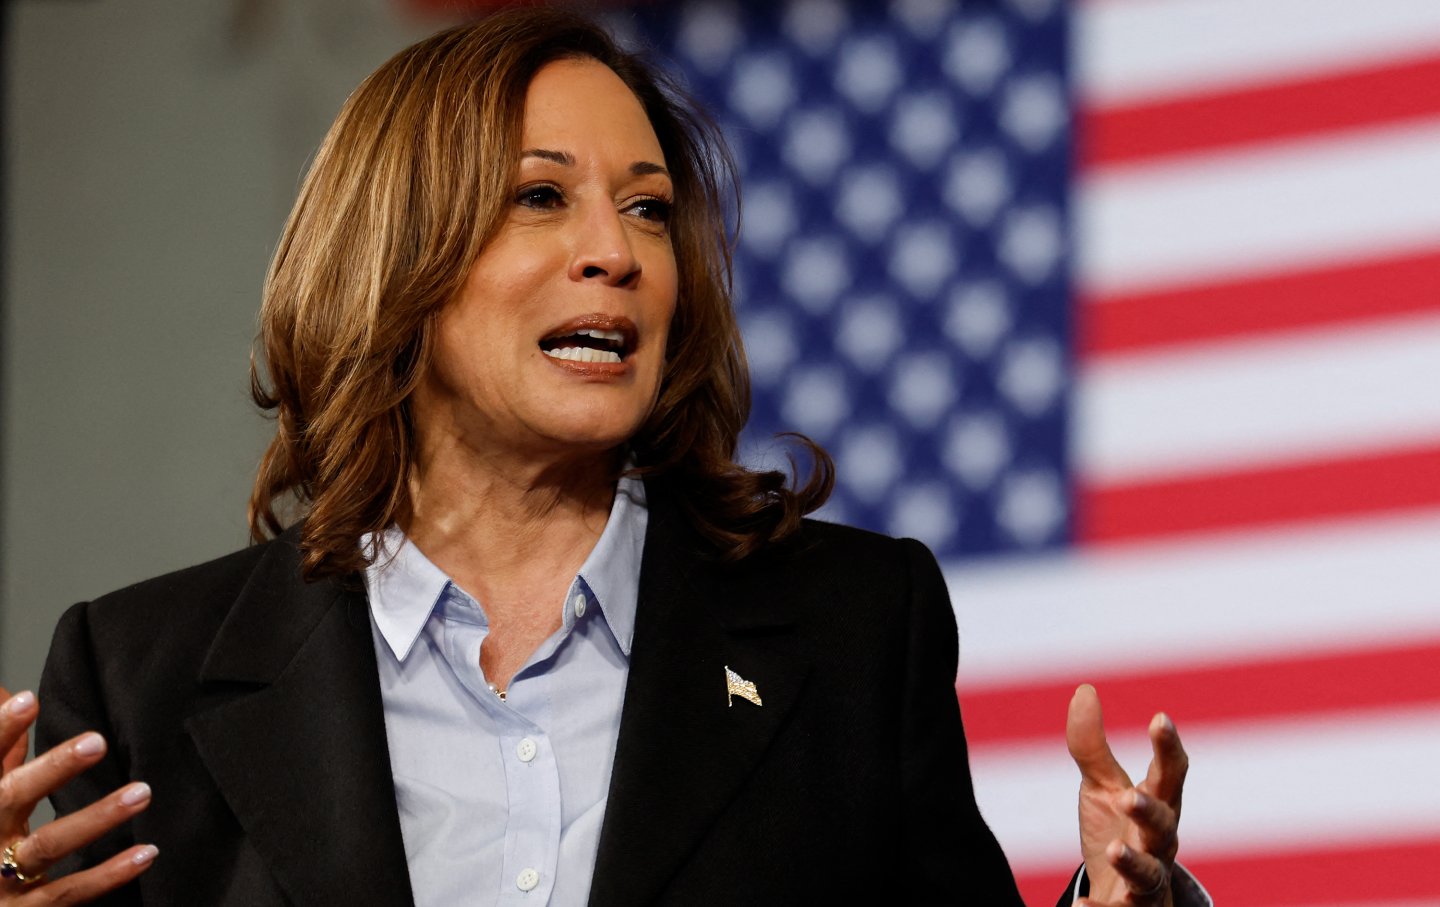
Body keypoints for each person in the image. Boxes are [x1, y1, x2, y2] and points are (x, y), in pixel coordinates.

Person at [0, 9, 1202, 906]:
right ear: (396, 257)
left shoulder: (852, 627)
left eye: (645, 208)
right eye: (539, 198)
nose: (615, 254)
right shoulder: (138, 675)